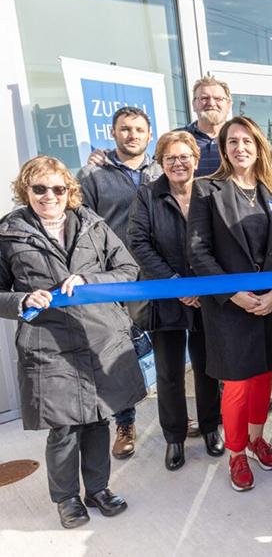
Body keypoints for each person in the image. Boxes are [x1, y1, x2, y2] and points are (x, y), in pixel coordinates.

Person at [0, 156, 145, 528]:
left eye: (58, 189)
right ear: (25, 191)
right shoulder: (9, 233)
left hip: (98, 336)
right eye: (39, 189)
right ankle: (66, 499)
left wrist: (89, 279)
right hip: (47, 343)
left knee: (98, 419)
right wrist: (21, 300)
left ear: (69, 191)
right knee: (64, 426)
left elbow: (128, 269)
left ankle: (98, 489)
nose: (50, 196)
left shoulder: (93, 225)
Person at [187, 116, 272, 492]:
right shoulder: (207, 190)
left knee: (263, 376)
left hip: (269, 304)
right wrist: (233, 294)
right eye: (232, 141)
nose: (240, 148)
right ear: (223, 149)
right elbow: (198, 251)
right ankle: (236, 453)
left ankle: (255, 438)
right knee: (237, 383)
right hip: (228, 307)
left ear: (259, 146)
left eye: (247, 140)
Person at [126, 131, 223, 471]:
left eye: (185, 157)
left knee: (207, 367)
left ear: (196, 161)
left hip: (203, 298)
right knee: (168, 373)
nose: (178, 163)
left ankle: (211, 428)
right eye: (171, 158)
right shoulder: (146, 196)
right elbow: (137, 242)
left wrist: (200, 284)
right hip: (165, 296)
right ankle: (175, 438)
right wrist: (172, 282)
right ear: (161, 163)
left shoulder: (210, 193)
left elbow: (218, 242)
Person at [77, 105, 161, 460]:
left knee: (164, 349)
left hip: (157, 275)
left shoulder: (160, 170)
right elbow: (82, 226)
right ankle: (125, 422)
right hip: (115, 278)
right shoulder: (93, 175)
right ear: (113, 133)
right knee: (118, 353)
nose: (132, 135)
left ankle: (174, 414)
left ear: (149, 134)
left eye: (139, 129)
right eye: (125, 129)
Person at [179, 76, 233, 177]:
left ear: (229, 105)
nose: (211, 103)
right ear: (194, 104)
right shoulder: (176, 139)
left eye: (218, 99)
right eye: (204, 98)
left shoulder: (241, 139)